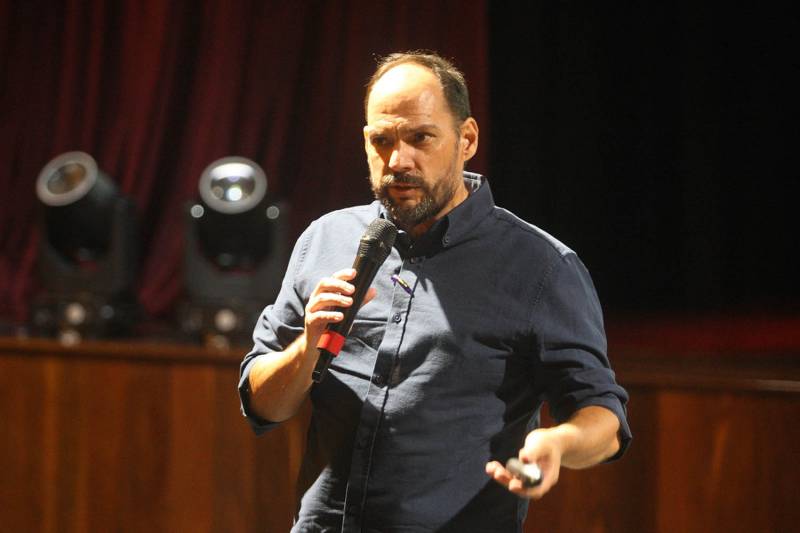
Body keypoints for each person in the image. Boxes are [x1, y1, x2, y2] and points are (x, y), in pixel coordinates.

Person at [239, 51, 631, 532]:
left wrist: (558, 444)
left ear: (467, 139)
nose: (397, 160)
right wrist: (306, 348)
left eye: (420, 137)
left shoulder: (540, 267)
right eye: (381, 140)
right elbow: (264, 405)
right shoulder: (326, 240)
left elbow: (604, 421)